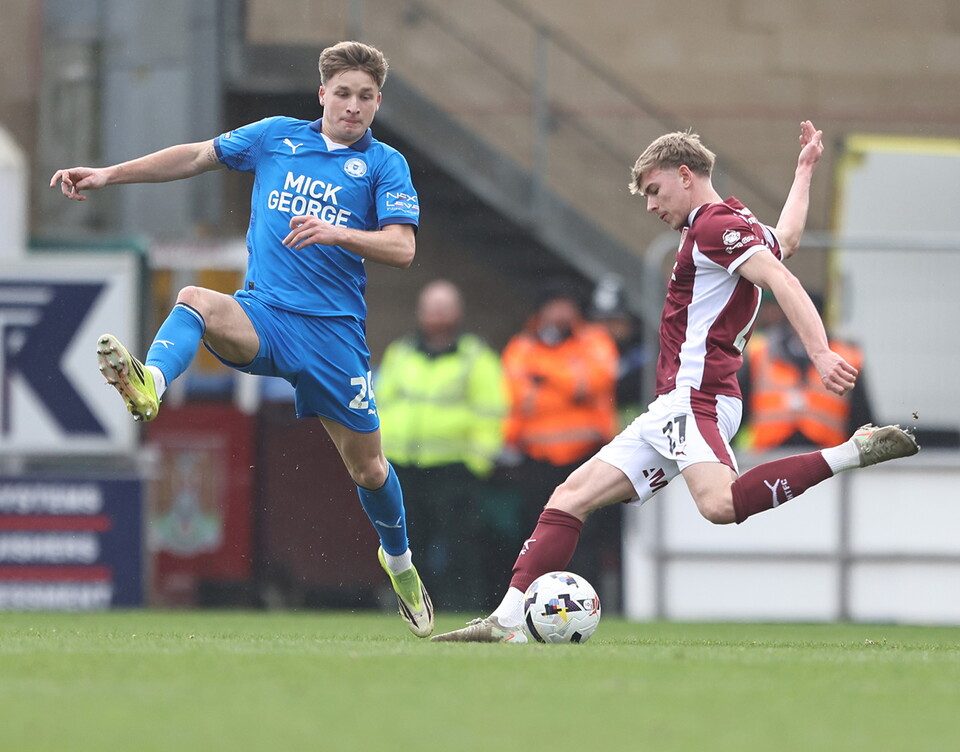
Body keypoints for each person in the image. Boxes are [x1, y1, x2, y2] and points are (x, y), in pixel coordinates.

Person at [432, 120, 919, 643]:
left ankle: (851, 452)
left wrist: (820, 352)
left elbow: (781, 277)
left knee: (719, 505)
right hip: (674, 405)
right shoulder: (733, 224)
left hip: (698, 399)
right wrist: (804, 172)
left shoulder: (713, 227)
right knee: (569, 496)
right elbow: (790, 242)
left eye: (654, 190)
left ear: (685, 175)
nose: (650, 206)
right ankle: (505, 620)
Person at [50, 40, 434, 637]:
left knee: (371, 471)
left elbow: (403, 248)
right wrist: (108, 174)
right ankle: (149, 383)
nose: (352, 106)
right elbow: (197, 156)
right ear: (322, 95)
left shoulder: (385, 164)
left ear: (377, 102)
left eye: (364, 97)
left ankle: (399, 561)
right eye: (342, 94)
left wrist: (337, 232)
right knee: (195, 300)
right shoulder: (276, 136)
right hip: (265, 316)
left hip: (333, 337)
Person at [376, 279, 508, 611]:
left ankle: (464, 608)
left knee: (461, 545)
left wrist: (478, 463)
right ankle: (409, 608)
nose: (436, 316)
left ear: (458, 313)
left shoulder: (476, 357)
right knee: (405, 546)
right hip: (401, 466)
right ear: (420, 313)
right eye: (431, 309)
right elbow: (379, 404)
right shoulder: (400, 352)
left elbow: (492, 412)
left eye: (443, 309)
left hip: (455, 468)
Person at [497, 282, 619, 600]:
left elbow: (592, 383)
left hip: (588, 457)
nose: (561, 312)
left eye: (566, 304)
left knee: (589, 538)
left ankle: (588, 602)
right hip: (536, 460)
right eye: (554, 304)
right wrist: (564, 382)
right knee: (537, 536)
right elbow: (518, 396)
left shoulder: (595, 340)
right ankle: (533, 601)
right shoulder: (521, 346)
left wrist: (545, 375)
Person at [738, 292, 874, 450]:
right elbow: (739, 407)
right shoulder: (760, 353)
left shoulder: (847, 357)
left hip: (828, 457)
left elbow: (861, 416)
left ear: (822, 320)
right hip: (769, 455)